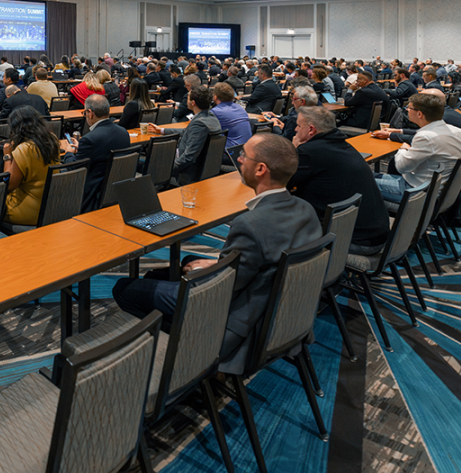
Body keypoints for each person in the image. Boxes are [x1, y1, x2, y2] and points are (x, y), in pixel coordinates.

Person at [111, 134, 322, 371]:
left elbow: (224, 288)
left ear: (261, 169)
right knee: (173, 268)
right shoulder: (306, 209)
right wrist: (217, 265)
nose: (239, 160)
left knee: (124, 288)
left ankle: (192, 347)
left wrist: (207, 271)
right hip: (274, 305)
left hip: (236, 321)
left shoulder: (249, 224)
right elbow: (259, 263)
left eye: (244, 156)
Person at [288, 107, 389, 253]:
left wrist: (294, 150)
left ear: (311, 130)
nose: (296, 130)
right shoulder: (342, 143)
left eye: (298, 126)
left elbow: (282, 182)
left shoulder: (310, 152)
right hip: (374, 233)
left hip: (353, 240)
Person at [371, 93, 461, 205]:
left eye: (409, 107)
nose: (406, 110)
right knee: (366, 176)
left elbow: (402, 168)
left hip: (417, 194)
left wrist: (403, 149)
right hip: (439, 192)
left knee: (356, 183)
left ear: (419, 114)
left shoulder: (425, 137)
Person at [59, 95, 132, 212]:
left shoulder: (90, 139)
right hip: (118, 191)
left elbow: (74, 168)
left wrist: (69, 153)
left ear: (90, 113)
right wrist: (82, 147)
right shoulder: (123, 132)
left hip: (92, 193)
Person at [0, 106, 61, 226]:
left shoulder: (24, 150)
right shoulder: (52, 140)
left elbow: (9, 185)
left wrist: (7, 156)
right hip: (49, 206)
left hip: (26, 211)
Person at [149, 86, 222, 185]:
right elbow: (187, 131)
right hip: (205, 168)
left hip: (188, 173)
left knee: (150, 159)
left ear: (193, 102)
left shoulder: (199, 124)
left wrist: (170, 168)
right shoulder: (211, 117)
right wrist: (161, 130)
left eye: (187, 98)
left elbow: (189, 157)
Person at [210, 82, 253, 158]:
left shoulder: (216, 111)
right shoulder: (240, 108)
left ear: (215, 97)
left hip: (233, 154)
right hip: (247, 152)